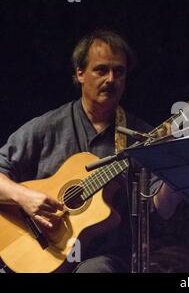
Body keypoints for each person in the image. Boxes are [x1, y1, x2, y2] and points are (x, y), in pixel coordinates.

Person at [0, 29, 158, 273]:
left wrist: (179, 158)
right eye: (101, 69)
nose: (111, 79)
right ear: (80, 73)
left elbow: (161, 208)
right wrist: (25, 198)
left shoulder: (141, 136)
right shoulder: (48, 127)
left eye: (119, 71)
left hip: (101, 258)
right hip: (38, 249)